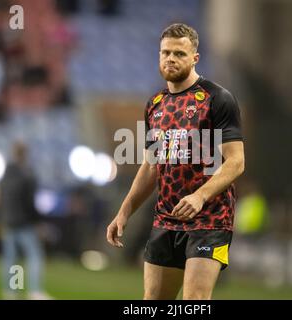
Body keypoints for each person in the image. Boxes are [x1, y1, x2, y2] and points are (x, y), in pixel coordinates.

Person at [106, 23, 245, 300]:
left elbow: (236, 162)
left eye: (179, 54)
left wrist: (200, 196)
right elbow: (150, 166)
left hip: (209, 221)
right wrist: (125, 211)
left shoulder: (217, 99)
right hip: (166, 219)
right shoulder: (155, 104)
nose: (171, 58)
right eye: (165, 52)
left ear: (195, 58)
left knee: (193, 302)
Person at [0, 141, 51, 300]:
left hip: (8, 221)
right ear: (25, 154)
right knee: (35, 256)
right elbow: (29, 203)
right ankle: (34, 291)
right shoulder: (27, 175)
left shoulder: (6, 174)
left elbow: (2, 199)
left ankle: (10, 291)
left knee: (10, 258)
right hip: (24, 223)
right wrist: (38, 222)